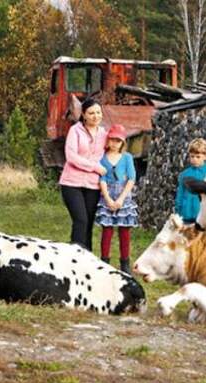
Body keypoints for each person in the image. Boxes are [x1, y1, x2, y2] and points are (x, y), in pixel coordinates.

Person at [59, 98, 108, 251]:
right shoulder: (75, 130)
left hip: (93, 184)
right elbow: (71, 156)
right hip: (71, 183)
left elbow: (112, 152)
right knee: (80, 220)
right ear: (84, 115)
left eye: (98, 112)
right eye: (91, 113)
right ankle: (75, 256)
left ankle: (87, 257)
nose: (96, 116)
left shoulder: (103, 133)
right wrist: (94, 166)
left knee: (88, 223)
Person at [95, 124, 139, 273]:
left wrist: (121, 199)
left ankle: (125, 263)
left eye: (118, 141)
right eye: (112, 140)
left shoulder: (127, 158)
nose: (114, 144)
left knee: (124, 231)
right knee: (107, 230)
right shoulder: (102, 157)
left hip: (123, 196)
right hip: (107, 195)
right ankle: (104, 261)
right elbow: (102, 179)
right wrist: (107, 199)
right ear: (107, 140)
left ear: (123, 143)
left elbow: (131, 178)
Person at [175, 138, 206, 224]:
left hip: (203, 217)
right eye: (192, 156)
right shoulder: (184, 175)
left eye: (198, 157)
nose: (194, 159)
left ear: (205, 156)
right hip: (185, 216)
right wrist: (178, 211)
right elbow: (180, 194)